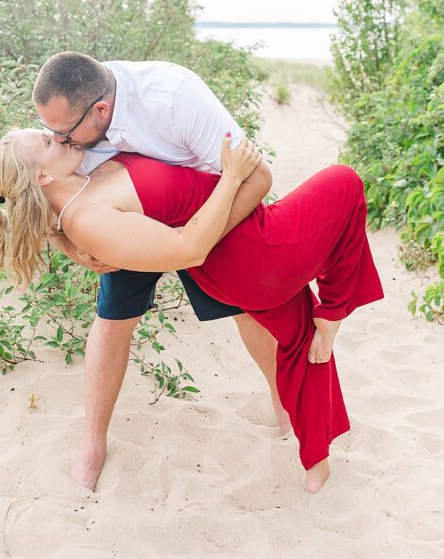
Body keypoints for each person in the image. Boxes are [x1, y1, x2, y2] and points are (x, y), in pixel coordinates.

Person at [0, 126, 384, 494]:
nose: (59, 135)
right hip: (222, 248)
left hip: (220, 242)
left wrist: (62, 237)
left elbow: (42, 202)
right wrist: (232, 177)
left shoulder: (80, 151)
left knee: (290, 330)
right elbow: (188, 248)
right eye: (49, 141)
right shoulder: (84, 209)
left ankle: (310, 449)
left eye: (53, 131)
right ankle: (333, 311)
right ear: (41, 176)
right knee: (344, 183)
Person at [30, 53, 286, 492]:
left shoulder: (174, 97)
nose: (58, 140)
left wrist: (198, 240)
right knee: (112, 322)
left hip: (205, 206)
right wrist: (71, 244)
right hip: (126, 213)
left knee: (247, 310)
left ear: (102, 111)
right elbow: (33, 187)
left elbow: (258, 177)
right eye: (49, 133)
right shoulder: (71, 105)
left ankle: (285, 411)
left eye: (64, 134)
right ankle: (93, 444)